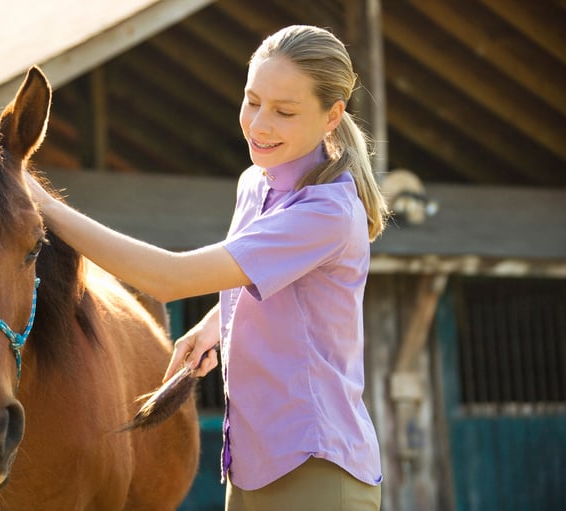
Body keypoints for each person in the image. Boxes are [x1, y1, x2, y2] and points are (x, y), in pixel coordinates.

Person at [27, 24, 386, 511]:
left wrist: (41, 203)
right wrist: (216, 323)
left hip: (317, 472)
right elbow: (265, 279)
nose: (259, 125)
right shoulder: (255, 184)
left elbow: (169, 278)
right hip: (250, 467)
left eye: (284, 111)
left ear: (332, 117)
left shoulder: (326, 213)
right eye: (252, 100)